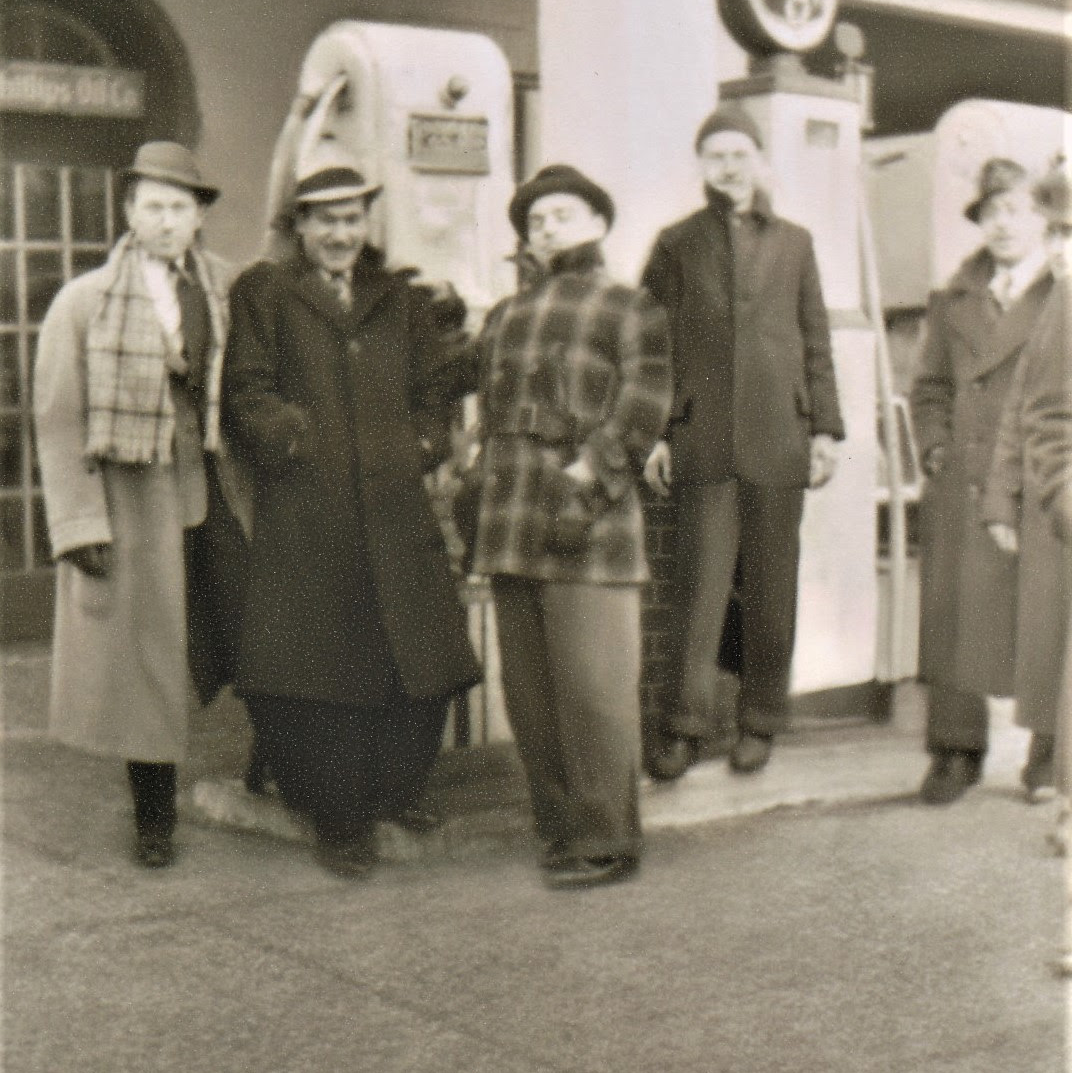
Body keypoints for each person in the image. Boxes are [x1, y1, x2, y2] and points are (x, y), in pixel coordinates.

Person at [221, 143, 481, 880]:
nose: (340, 233)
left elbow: (434, 387)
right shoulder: (266, 293)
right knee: (320, 668)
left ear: (368, 221)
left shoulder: (397, 298)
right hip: (311, 512)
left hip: (396, 509)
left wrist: (423, 443)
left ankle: (393, 793)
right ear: (299, 225)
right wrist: (298, 440)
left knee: (415, 653)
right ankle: (337, 818)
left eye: (351, 218)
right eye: (325, 220)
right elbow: (247, 391)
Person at [33, 141, 241, 869]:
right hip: (132, 501)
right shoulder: (85, 301)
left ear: (198, 217)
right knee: (144, 664)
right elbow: (58, 418)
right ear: (128, 211)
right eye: (151, 205)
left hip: (212, 492)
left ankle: (277, 772)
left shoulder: (223, 287)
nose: (165, 220)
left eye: (179, 207)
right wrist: (79, 522)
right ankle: (155, 817)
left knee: (249, 630)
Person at [470, 164, 672, 889]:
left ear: (597, 223)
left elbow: (643, 405)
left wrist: (588, 483)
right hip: (510, 522)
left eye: (562, 214)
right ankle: (559, 831)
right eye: (536, 219)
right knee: (530, 693)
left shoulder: (631, 306)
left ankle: (607, 839)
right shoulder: (504, 315)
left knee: (593, 691)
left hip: (592, 524)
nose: (547, 227)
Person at [640, 105, 843, 781]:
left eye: (738, 153)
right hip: (703, 441)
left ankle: (761, 720)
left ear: (759, 161)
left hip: (780, 441)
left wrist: (826, 430)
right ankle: (684, 726)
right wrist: (659, 429)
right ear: (702, 165)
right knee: (697, 592)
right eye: (715, 155)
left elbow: (816, 340)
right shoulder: (676, 244)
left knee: (771, 590)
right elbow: (649, 344)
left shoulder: (795, 243)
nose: (728, 166)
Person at [911, 156, 1054, 805]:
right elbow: (930, 386)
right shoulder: (953, 297)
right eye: (991, 212)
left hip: (1039, 475)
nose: (1003, 224)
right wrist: (936, 449)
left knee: (1045, 611)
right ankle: (954, 750)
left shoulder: (1063, 293)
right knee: (954, 616)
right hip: (963, 480)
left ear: (1044, 219)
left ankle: (1051, 753)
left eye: (1017, 210)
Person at [981, 161, 1071, 804]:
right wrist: (1005, 497)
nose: (1061, 248)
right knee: (1052, 643)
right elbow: (1028, 411)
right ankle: (1050, 767)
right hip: (1058, 504)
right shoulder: (1058, 306)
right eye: (1058, 232)